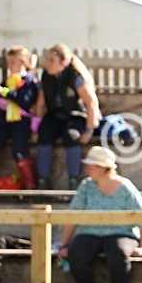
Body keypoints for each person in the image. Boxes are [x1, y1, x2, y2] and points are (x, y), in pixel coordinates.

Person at [57, 146, 142, 283]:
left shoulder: (125, 187)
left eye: (92, 165)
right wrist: (64, 245)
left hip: (121, 232)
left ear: (103, 167)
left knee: (119, 253)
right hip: (89, 232)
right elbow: (72, 215)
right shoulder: (86, 186)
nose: (87, 169)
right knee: (77, 254)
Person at [34, 43, 100, 190]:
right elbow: (40, 104)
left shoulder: (74, 77)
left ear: (63, 63)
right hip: (54, 115)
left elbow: (91, 103)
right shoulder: (46, 77)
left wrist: (89, 130)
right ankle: (43, 180)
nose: (48, 63)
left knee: (71, 136)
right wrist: (35, 129)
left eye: (52, 60)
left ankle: (73, 181)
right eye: (47, 59)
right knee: (44, 135)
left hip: (74, 116)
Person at [0, 45, 39, 189]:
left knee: (18, 151)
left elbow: (25, 101)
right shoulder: (7, 81)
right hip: (3, 123)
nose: (9, 65)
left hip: (21, 124)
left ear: (23, 62)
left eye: (13, 62)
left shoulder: (29, 81)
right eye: (8, 62)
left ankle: (30, 184)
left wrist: (5, 92)